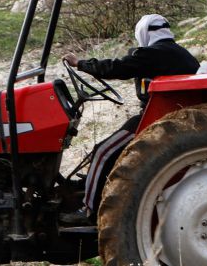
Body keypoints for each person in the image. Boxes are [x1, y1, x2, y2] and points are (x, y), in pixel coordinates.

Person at [63, 14, 199, 222]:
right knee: (103, 148)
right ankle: (87, 187)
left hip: (156, 118)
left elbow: (116, 67)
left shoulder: (154, 54)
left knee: (102, 151)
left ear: (143, 33)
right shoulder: (179, 53)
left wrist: (80, 63)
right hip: (167, 113)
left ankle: (87, 210)